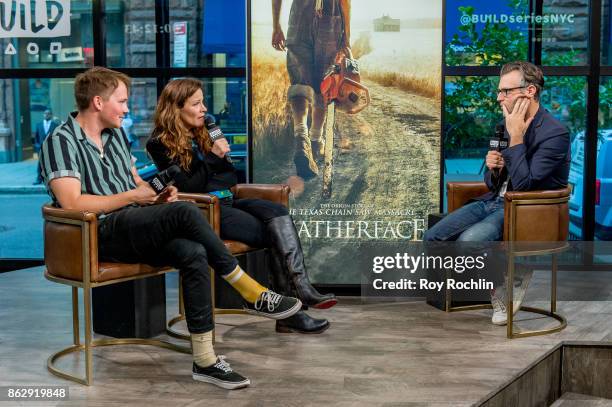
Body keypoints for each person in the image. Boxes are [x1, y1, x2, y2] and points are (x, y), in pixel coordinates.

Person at [39, 67, 302, 390]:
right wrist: (133, 197)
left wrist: (154, 195)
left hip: (133, 223)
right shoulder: (61, 140)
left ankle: (205, 360)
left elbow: (135, 182)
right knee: (185, 212)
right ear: (97, 102)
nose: (126, 109)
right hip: (97, 234)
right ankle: (249, 290)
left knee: (192, 251)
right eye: (121, 102)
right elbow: (71, 204)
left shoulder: (115, 136)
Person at [146, 78, 337, 335]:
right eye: (196, 103)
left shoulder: (207, 131)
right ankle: (294, 311)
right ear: (176, 108)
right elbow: (192, 188)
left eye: (203, 102)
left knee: (278, 212)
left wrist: (209, 171)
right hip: (206, 211)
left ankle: (301, 290)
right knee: (271, 234)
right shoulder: (160, 144)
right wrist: (212, 159)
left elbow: (230, 176)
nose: (204, 109)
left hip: (229, 198)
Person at [423, 61, 570, 325]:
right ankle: (507, 278)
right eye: (499, 91)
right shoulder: (504, 124)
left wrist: (516, 138)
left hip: (524, 209)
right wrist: (492, 167)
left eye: (506, 91)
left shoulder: (554, 133)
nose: (499, 97)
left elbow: (525, 185)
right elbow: (494, 184)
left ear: (530, 92)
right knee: (433, 237)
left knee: (468, 242)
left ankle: (503, 286)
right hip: (493, 201)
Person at [271, 0, 351, 180]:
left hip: (300, 14)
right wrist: (347, 36)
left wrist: (276, 26)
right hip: (330, 18)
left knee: (299, 80)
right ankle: (315, 140)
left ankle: (301, 135)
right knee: (325, 83)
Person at [33, 109, 60, 184]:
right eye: (45, 113)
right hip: (41, 148)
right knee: (40, 164)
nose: (46, 115)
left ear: (51, 115)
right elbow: (36, 137)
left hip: (51, 148)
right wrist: (37, 146)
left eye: (48, 113)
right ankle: (39, 179)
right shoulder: (39, 125)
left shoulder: (55, 125)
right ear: (43, 114)